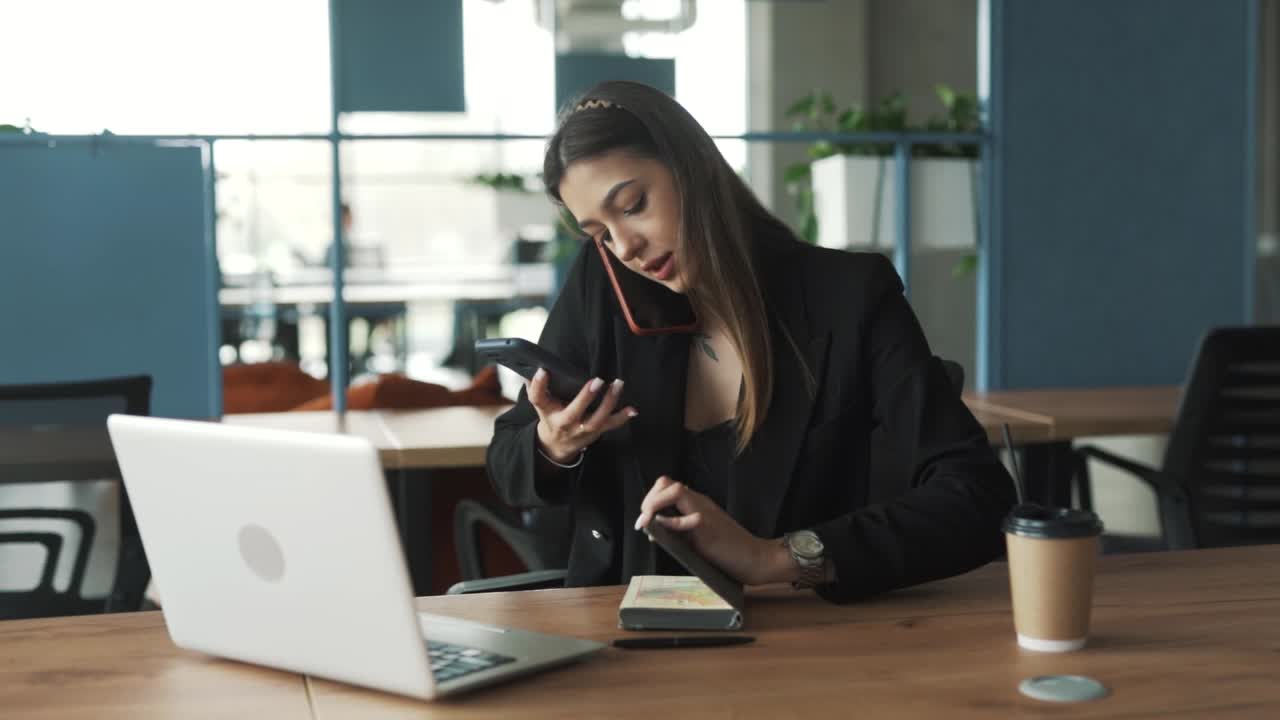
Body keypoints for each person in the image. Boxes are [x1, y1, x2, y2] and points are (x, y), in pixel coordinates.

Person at [486, 81, 1015, 603]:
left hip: (799, 645)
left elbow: (976, 499)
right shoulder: (604, 288)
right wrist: (555, 442)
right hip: (622, 634)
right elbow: (508, 462)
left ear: (693, 168)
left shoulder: (849, 297)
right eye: (599, 233)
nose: (625, 247)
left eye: (633, 205)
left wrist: (773, 558)